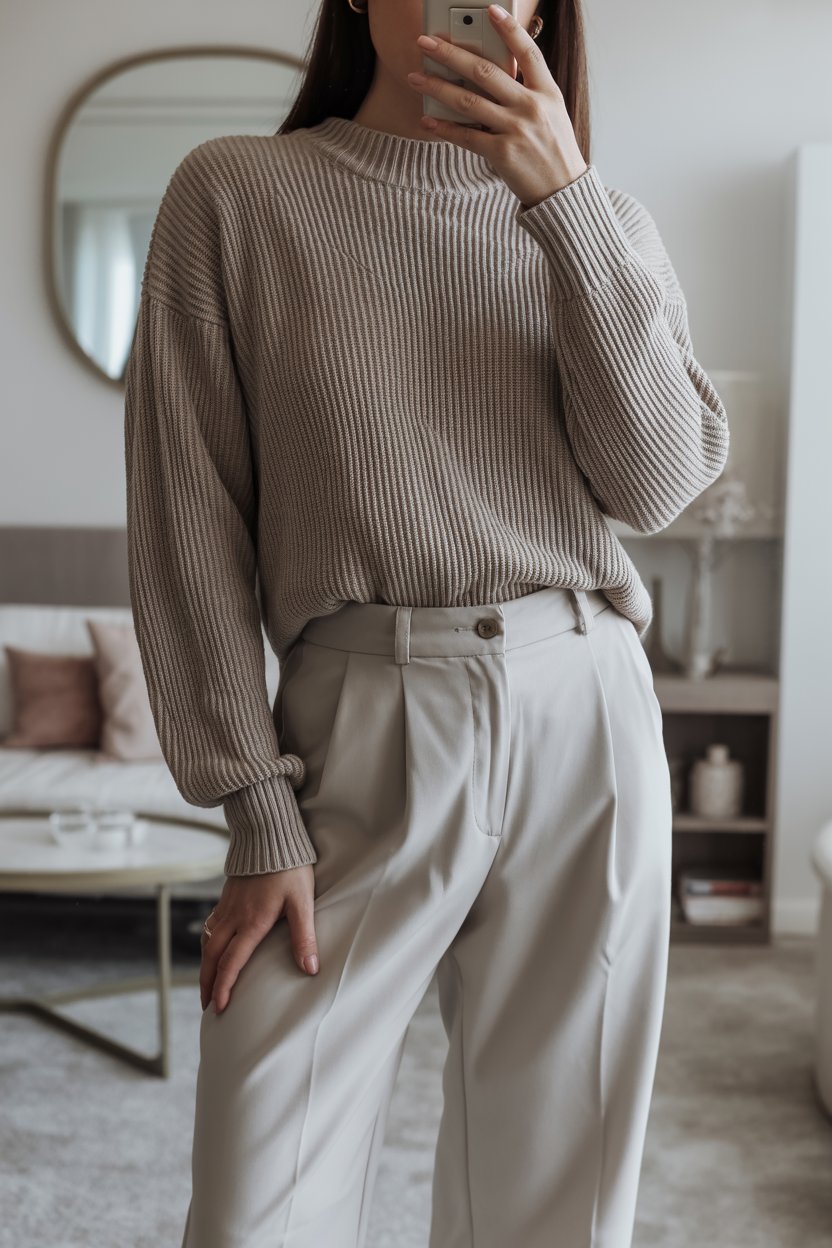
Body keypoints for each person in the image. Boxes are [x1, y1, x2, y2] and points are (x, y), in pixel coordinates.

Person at [123, 1, 730, 1245]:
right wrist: (253, 806)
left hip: (585, 708)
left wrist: (562, 206)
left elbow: (658, 483)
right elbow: (186, 525)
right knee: (258, 1200)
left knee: (554, 1202)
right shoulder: (235, 195)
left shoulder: (604, 222)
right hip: (357, 716)